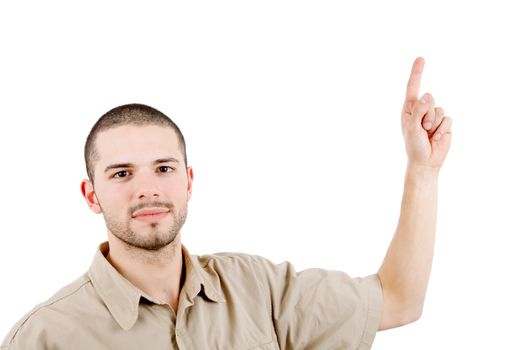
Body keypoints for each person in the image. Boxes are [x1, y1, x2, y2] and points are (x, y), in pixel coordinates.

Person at [1, 57, 452, 350]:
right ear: (91, 195)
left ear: (189, 180)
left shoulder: (258, 289)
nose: (147, 190)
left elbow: (398, 301)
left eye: (164, 168)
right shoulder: (45, 338)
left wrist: (423, 172)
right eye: (122, 174)